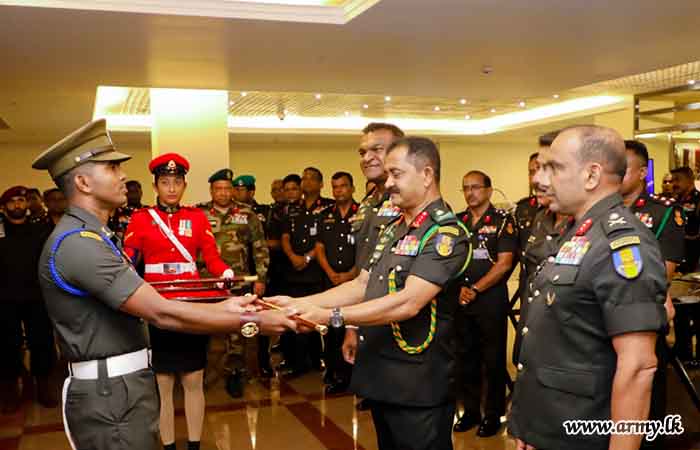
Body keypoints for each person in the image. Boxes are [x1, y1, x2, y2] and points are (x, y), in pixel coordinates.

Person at [32, 119, 295, 450]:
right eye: (112, 168)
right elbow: (161, 313)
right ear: (83, 182)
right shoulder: (81, 244)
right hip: (111, 395)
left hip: (122, 388)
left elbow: (199, 268)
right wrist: (251, 319)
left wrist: (223, 303)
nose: (123, 176)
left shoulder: (95, 236)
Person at [268, 137, 470, 450]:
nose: (388, 183)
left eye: (397, 175)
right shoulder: (394, 229)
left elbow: (408, 302)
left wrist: (330, 316)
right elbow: (362, 285)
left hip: (418, 385)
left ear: (427, 175)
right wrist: (298, 303)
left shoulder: (445, 233)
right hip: (383, 375)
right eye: (387, 175)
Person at [509, 125, 667, 450]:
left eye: (554, 168)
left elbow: (638, 366)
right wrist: (533, 422)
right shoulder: (579, 234)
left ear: (591, 175)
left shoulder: (621, 243)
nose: (541, 179)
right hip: (551, 425)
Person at [123, 153, 238, 450]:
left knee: (193, 379)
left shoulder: (197, 217)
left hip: (190, 305)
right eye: (165, 182)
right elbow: (130, 260)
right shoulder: (140, 218)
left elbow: (210, 257)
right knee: (163, 384)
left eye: (176, 182)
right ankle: (169, 445)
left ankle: (195, 445)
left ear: (184, 184)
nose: (171, 188)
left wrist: (223, 270)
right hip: (156, 306)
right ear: (155, 185)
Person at [621, 139, 684, 450]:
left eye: (624, 167)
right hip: (606, 320)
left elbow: (665, 270)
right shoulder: (602, 213)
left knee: (647, 394)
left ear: (641, 172)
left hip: (643, 313)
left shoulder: (661, 213)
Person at [344, 122, 404, 410]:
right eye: (362, 151)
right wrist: (353, 324)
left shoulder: (410, 203)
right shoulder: (370, 203)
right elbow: (364, 272)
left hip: (402, 336)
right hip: (372, 325)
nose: (367, 157)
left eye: (377, 149)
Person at [453, 170, 517, 437]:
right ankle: (470, 412)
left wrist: (476, 289)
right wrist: (460, 289)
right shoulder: (456, 222)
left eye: (476, 187)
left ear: (489, 191)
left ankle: (492, 414)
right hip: (461, 300)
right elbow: (448, 260)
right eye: (465, 188)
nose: (470, 193)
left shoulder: (503, 221)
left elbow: (504, 263)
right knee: (465, 358)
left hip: (490, 300)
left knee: (492, 359)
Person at [199, 169, 270, 397]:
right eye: (218, 189)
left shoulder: (247, 214)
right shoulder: (198, 213)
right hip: (206, 281)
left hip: (238, 281)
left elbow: (259, 247)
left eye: (227, 188)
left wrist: (260, 277)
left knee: (236, 329)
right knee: (202, 325)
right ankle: (200, 373)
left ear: (232, 190)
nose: (222, 193)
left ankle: (234, 372)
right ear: (211, 190)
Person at [0, 186, 57, 412]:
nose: (18, 205)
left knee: (42, 342)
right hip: (4, 299)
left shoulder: (39, 229)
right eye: (12, 201)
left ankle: (43, 387)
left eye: (21, 200)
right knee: (7, 345)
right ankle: (10, 389)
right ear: (3, 207)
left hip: (36, 296)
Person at [279, 167, 334, 376]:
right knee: (295, 317)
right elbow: (285, 236)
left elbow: (325, 241)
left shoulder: (329, 207)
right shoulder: (292, 208)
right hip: (293, 271)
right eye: (304, 178)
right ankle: (298, 362)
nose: (306, 182)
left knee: (317, 316)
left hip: (317, 270)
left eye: (312, 179)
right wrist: (294, 257)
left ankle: (322, 361)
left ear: (321, 184)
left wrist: (308, 257)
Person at [315, 171, 359, 394]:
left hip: (356, 282)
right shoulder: (325, 215)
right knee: (331, 330)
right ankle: (334, 372)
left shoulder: (363, 214)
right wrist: (331, 272)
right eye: (335, 187)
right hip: (331, 280)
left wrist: (351, 274)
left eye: (343, 186)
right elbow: (320, 247)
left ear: (352, 188)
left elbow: (367, 250)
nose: (339, 190)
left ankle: (352, 375)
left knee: (353, 327)